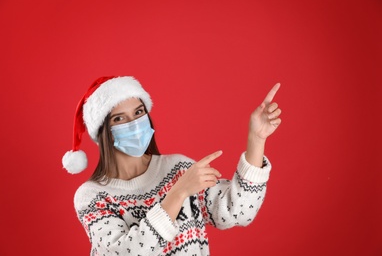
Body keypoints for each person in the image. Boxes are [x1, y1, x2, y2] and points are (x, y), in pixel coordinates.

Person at [62, 76, 282, 256]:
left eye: (139, 113)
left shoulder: (178, 168)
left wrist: (257, 139)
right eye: (119, 119)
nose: (134, 124)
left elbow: (238, 211)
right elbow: (125, 252)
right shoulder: (92, 196)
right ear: (103, 132)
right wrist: (177, 193)